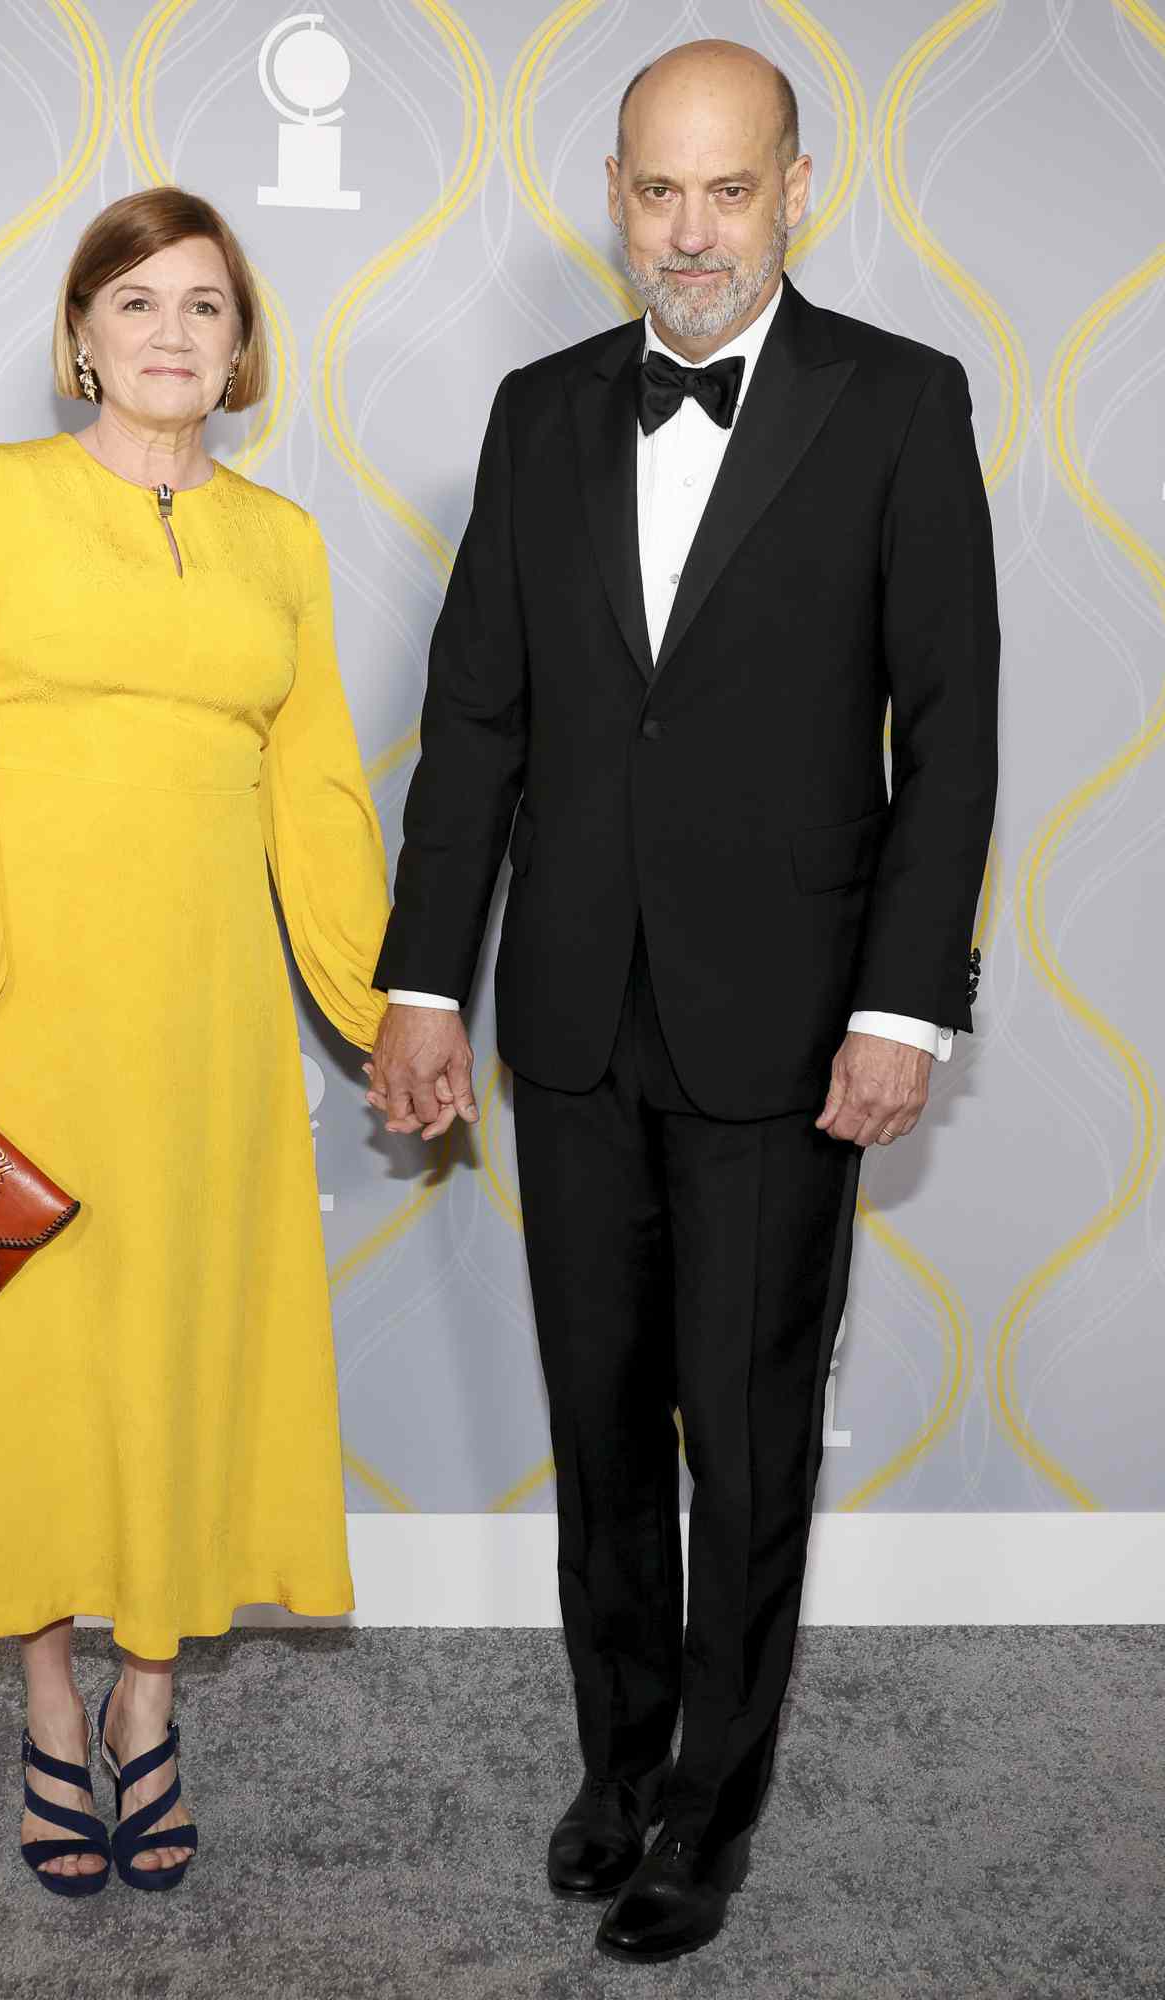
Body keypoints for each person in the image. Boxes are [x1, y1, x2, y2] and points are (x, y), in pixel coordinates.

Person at [365, 39, 998, 1966]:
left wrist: (905, 1009)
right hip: (568, 1013)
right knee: (601, 1418)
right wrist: (421, 978)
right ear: (614, 194)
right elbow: (475, 716)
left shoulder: (897, 402)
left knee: (747, 1428)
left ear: (798, 185)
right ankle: (617, 1759)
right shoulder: (540, 410)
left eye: (729, 189)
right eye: (658, 189)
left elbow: (950, 729)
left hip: (790, 1024)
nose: (692, 230)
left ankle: (713, 1807)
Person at [0, 187, 390, 1897]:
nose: (170, 332)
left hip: (209, 1029)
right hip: (16, 1021)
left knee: (181, 1346)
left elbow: (320, 801)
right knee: (24, 1366)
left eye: (205, 307)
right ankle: (48, 1700)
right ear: (81, 334)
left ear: (241, 351)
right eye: (136, 301)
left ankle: (152, 1698)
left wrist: (388, 1010)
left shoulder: (283, 541)